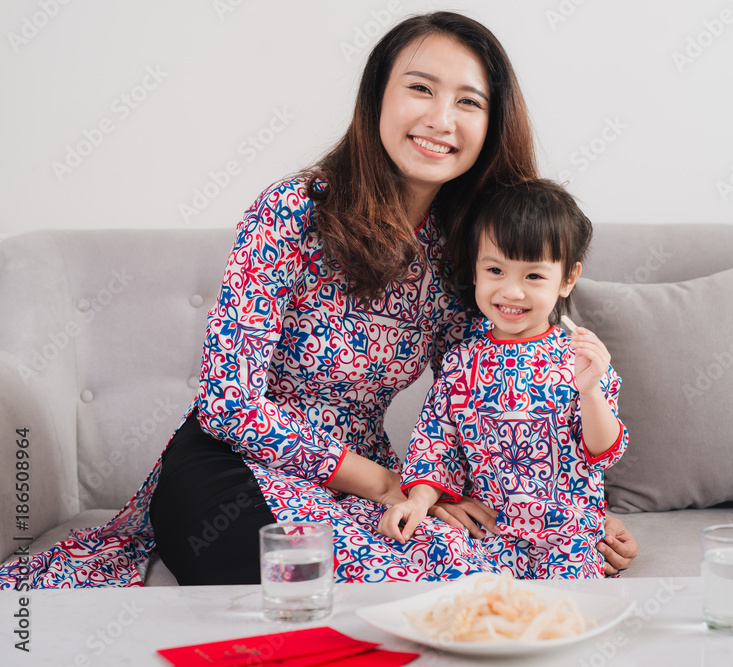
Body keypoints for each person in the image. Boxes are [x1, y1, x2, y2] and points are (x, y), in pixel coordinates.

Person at [0, 12, 635, 589]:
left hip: (367, 484)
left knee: (464, 568)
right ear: (377, 97)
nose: (442, 118)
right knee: (292, 571)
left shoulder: (476, 252)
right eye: (420, 88)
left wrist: (563, 518)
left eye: (468, 101)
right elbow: (227, 405)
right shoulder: (293, 212)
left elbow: (496, 395)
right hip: (234, 467)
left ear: (491, 122)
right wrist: (383, 483)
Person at [378, 180, 627, 578]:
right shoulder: (461, 362)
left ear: (567, 279)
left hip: (567, 534)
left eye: (533, 277)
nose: (511, 291)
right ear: (475, 270)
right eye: (495, 270)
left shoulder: (580, 360)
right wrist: (418, 502)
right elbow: (436, 443)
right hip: (487, 532)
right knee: (421, 554)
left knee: (570, 593)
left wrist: (590, 391)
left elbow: (603, 450)